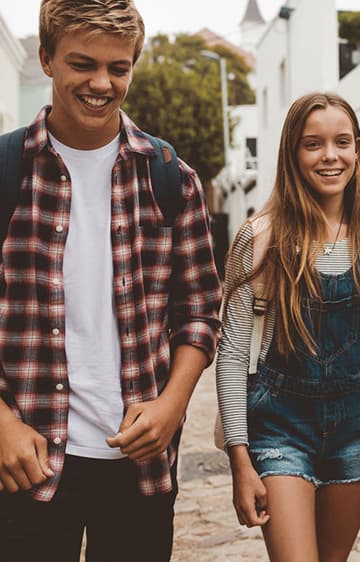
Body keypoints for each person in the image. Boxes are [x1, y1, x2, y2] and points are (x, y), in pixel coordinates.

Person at [0, 1, 222, 560]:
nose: (102, 83)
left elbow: (199, 309)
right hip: (21, 460)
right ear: (47, 59)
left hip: (138, 468)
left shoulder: (172, 177)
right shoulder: (6, 172)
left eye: (118, 68)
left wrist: (172, 406)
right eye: (83, 64)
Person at [216, 91, 360, 562]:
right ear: (292, 153)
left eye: (342, 142)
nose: (330, 156)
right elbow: (230, 354)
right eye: (313, 144)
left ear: (357, 152)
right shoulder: (261, 238)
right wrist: (239, 457)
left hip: (355, 430)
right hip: (280, 428)